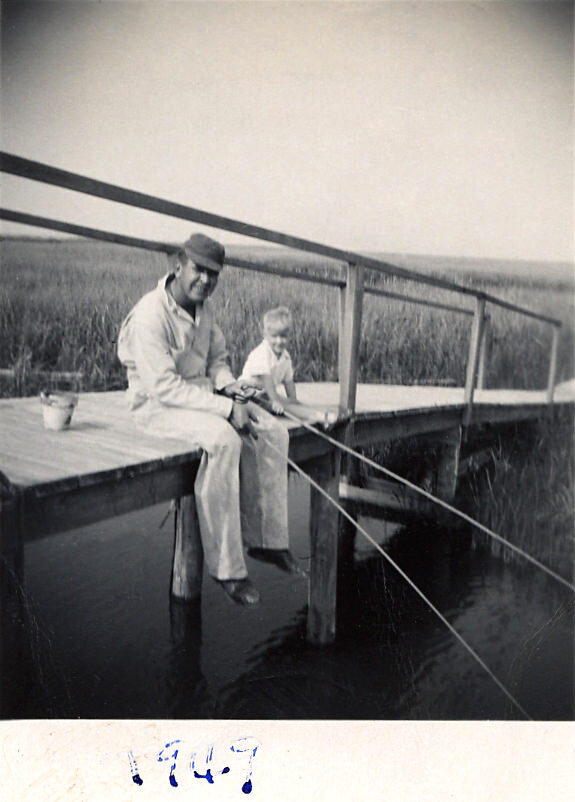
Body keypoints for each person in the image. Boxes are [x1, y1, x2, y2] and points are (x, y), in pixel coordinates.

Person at [117, 233, 304, 607]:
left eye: (213, 274)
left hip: (199, 395)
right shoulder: (151, 313)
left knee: (272, 431)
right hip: (156, 405)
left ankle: (268, 542)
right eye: (198, 270)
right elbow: (163, 388)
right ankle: (228, 569)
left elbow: (217, 361)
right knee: (225, 440)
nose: (205, 280)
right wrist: (224, 409)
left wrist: (232, 390)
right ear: (179, 265)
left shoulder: (204, 309)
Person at [241, 306, 333, 424]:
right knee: (282, 405)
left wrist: (293, 400)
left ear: (289, 336)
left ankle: (316, 415)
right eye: (274, 336)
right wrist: (275, 401)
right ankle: (319, 417)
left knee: (291, 403)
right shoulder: (261, 353)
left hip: (265, 394)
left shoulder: (285, 357)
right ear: (265, 335)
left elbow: (289, 382)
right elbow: (266, 379)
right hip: (249, 395)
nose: (279, 341)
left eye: (283, 336)